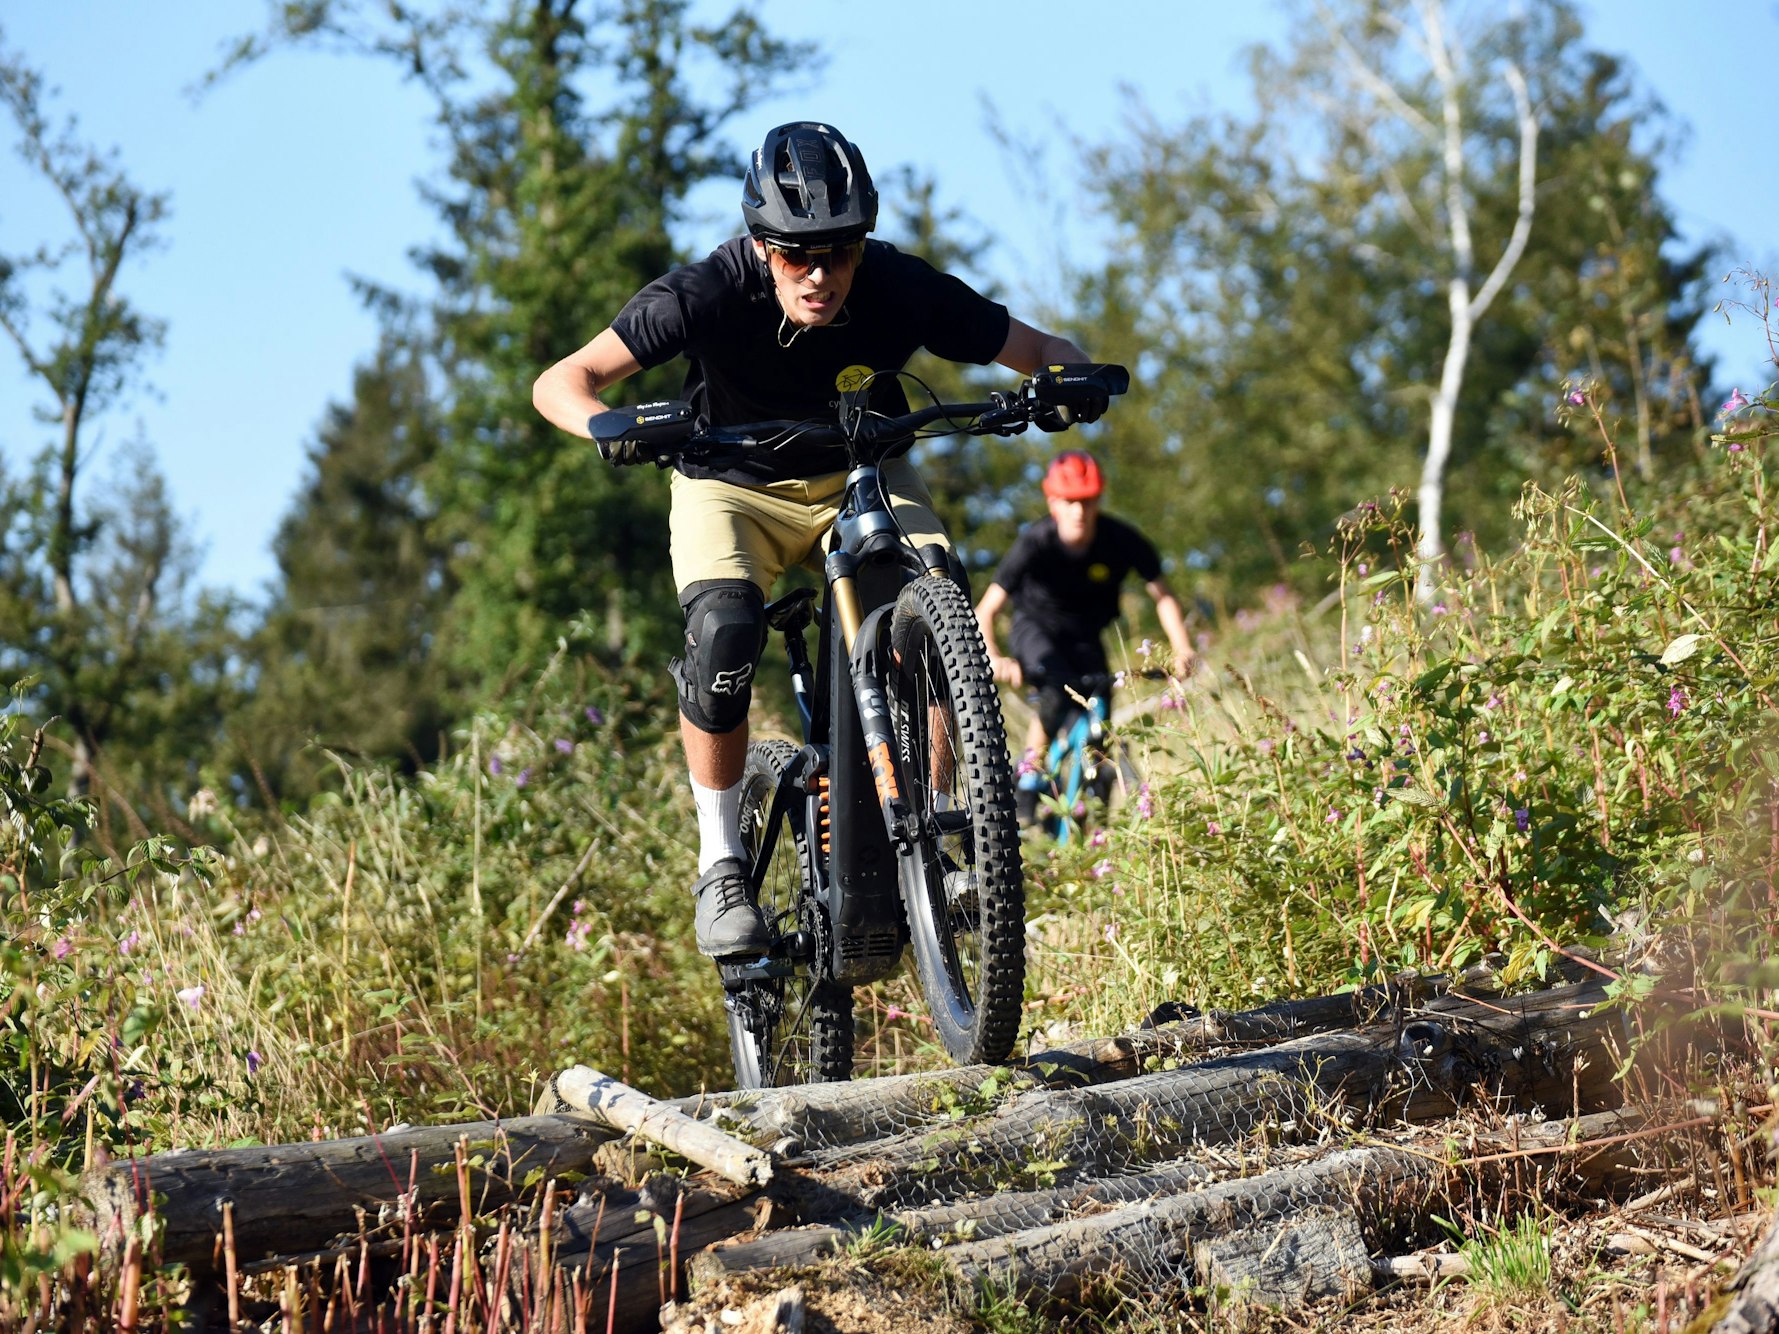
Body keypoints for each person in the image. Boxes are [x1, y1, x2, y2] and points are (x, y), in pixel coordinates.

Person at [532, 121, 1110, 959]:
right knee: (724, 632)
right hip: (730, 485)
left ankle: (941, 831)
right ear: (760, 245)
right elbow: (562, 381)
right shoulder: (704, 292)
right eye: (796, 254)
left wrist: (1071, 378)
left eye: (838, 253)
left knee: (934, 602)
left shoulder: (900, 287)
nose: (819, 274)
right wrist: (608, 427)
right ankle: (722, 865)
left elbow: (1039, 349)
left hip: (860, 475)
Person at [973, 450, 1195, 826]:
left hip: (1086, 637)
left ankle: (1090, 818)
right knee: (1056, 692)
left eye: (1088, 501)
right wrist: (995, 656)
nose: (1079, 510)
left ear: (1099, 500)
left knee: (1101, 716)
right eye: (1070, 501)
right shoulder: (1035, 542)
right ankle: (1028, 777)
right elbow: (987, 610)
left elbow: (1163, 594)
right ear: (1052, 502)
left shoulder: (1121, 539)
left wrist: (1182, 648)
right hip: (1036, 630)